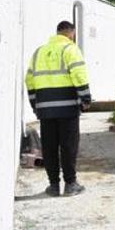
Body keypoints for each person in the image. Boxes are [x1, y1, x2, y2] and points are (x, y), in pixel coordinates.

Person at [25, 21, 91, 197]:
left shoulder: (39, 52)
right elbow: (79, 74)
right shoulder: (70, 49)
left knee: (50, 147)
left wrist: (35, 104)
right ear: (71, 33)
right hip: (67, 108)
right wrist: (85, 97)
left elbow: (29, 80)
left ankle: (53, 186)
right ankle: (70, 184)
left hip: (45, 109)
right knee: (69, 145)